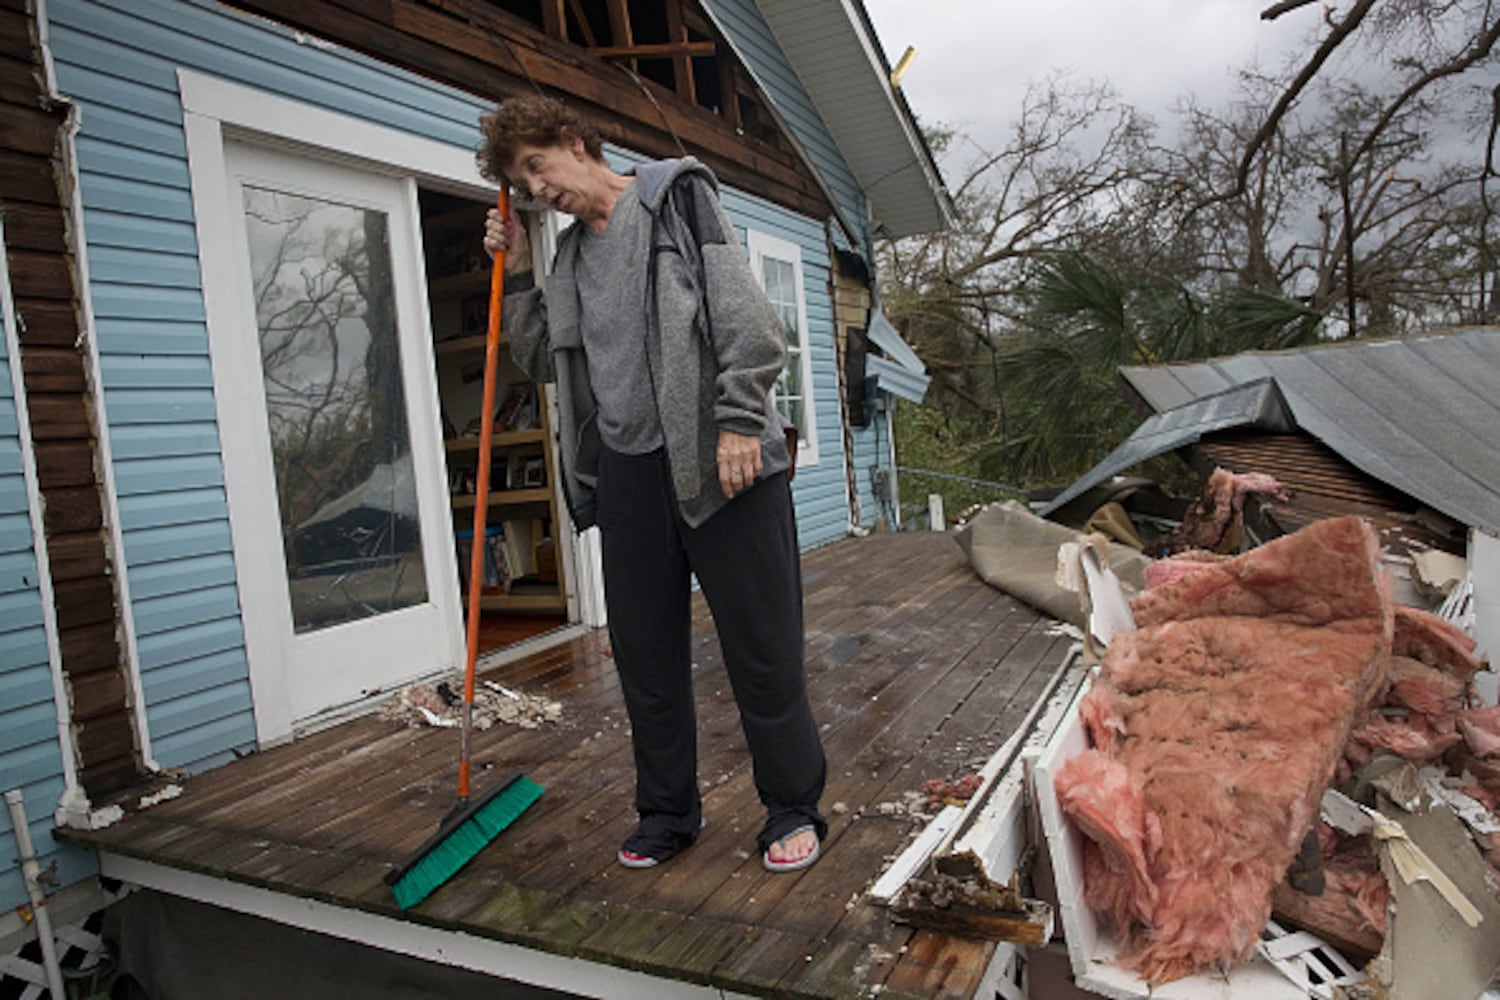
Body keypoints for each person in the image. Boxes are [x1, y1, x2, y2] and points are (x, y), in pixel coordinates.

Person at [477, 95, 826, 872]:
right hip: (632, 471)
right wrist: (523, 271)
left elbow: (748, 319)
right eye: (520, 183)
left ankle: (792, 806)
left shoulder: (675, 196)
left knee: (762, 651)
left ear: (573, 140)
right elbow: (540, 360)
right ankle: (667, 813)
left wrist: (739, 419)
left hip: (724, 459)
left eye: (535, 167)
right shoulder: (567, 257)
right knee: (646, 659)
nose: (534, 189)